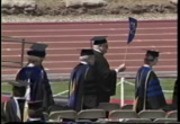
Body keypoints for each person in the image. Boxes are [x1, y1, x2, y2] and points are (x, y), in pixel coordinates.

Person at [15, 43, 54, 112]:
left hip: (24, 105)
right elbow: (44, 92)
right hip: (33, 107)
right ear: (40, 58)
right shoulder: (39, 72)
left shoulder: (23, 70)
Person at [91, 36, 126, 104]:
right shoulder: (99, 58)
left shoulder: (94, 55)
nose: (107, 48)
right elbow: (105, 75)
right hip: (99, 95)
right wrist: (117, 70)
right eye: (106, 46)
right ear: (100, 46)